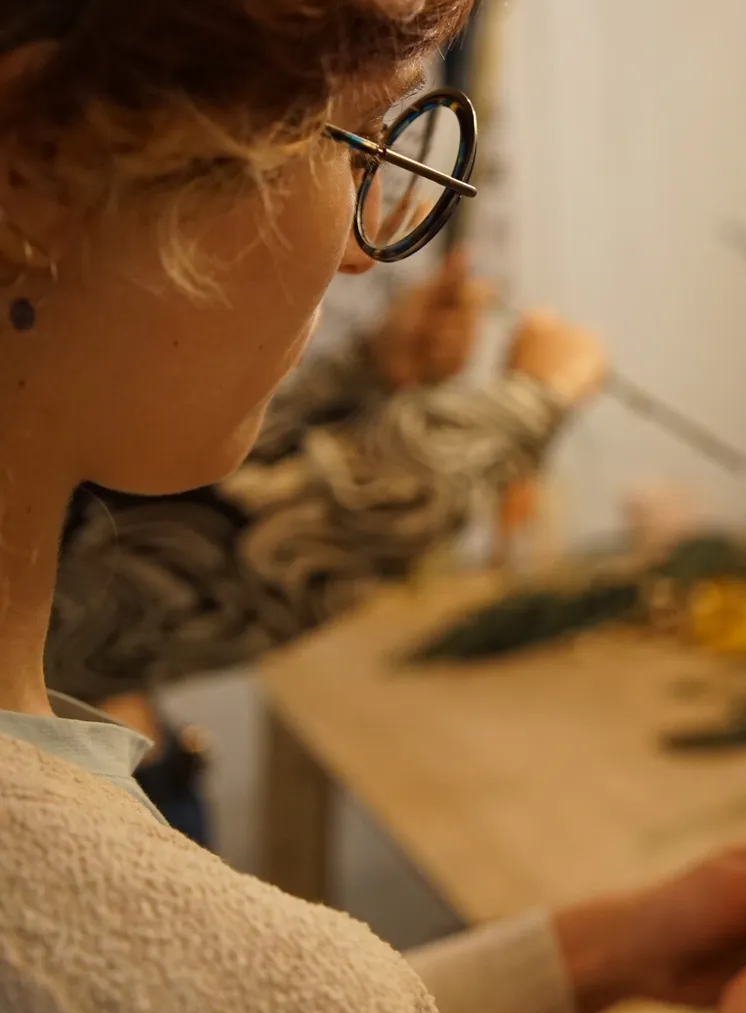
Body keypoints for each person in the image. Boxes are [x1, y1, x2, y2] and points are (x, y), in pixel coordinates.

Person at [0, 0, 746, 1013]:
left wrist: (590, 959)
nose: (365, 255)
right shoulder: (169, 971)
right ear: (40, 165)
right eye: (348, 136)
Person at [50, 246, 604, 846]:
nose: (358, 256)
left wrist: (363, 373)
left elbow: (169, 489)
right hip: (78, 804)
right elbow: (253, 543)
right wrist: (534, 400)